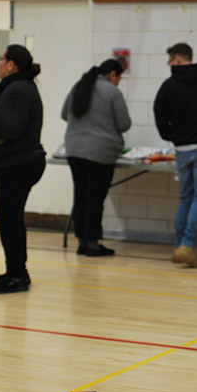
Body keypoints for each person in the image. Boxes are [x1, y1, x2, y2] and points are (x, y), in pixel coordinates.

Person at [0, 44, 46, 294]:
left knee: (9, 220)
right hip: (22, 162)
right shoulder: (22, 87)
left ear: (11, 64)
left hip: (17, 164)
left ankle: (16, 275)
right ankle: (17, 270)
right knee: (11, 219)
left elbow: (7, 127)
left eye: (1, 59)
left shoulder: (16, 90)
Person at [153, 42, 197, 268]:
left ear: (177, 59)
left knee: (186, 197)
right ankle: (188, 245)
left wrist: (171, 135)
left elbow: (159, 113)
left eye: (169, 61)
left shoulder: (168, 86)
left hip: (182, 148)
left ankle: (180, 245)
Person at [61, 59, 131, 257]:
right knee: (94, 198)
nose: (118, 82)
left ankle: (82, 242)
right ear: (111, 74)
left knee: (81, 196)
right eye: (118, 78)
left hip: (74, 150)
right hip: (100, 153)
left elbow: (64, 114)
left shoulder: (79, 86)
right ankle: (93, 244)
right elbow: (124, 124)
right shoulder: (112, 92)